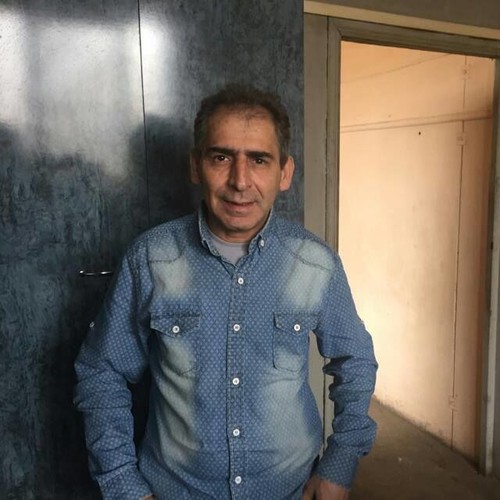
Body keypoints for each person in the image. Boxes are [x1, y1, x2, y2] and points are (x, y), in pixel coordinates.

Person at [74, 84, 377, 500]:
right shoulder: (150, 258)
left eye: (259, 160)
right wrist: (124, 484)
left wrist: (339, 465)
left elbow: (355, 360)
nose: (240, 181)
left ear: (284, 173)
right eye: (221, 158)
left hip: (290, 490)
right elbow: (102, 371)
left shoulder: (315, 263)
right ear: (196, 165)